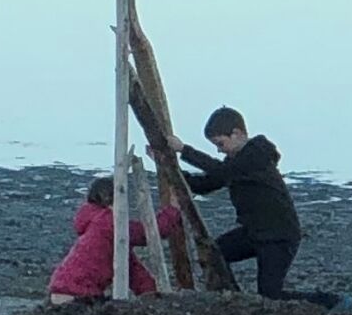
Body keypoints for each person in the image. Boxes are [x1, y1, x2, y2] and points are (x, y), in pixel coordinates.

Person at [181, 109, 301, 297]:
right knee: (216, 254)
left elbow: (222, 171)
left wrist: (184, 150)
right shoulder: (233, 164)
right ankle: (233, 296)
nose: (219, 150)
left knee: (270, 294)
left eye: (220, 143)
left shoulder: (256, 155)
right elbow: (206, 184)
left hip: (279, 236)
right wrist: (170, 168)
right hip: (253, 232)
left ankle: (331, 303)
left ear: (237, 134)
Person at [47, 174, 171, 302]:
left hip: (61, 290)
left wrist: (150, 293)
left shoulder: (98, 227)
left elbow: (132, 269)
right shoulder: (108, 222)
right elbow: (148, 233)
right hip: (79, 293)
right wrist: (173, 211)